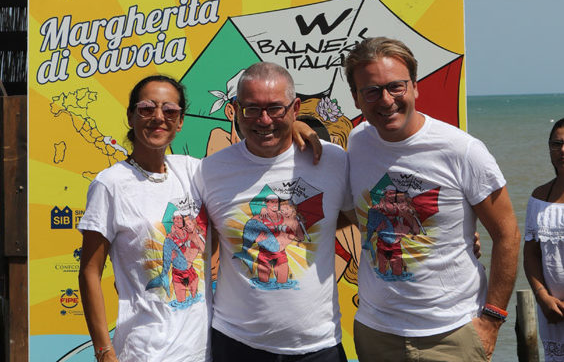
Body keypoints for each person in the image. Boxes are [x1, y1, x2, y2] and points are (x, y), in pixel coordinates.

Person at [344, 37, 521, 361]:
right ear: (356, 98)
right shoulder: (356, 143)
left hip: (452, 333)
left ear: (415, 87)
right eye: (371, 91)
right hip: (375, 333)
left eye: (396, 86)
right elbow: (346, 211)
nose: (386, 100)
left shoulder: (462, 150)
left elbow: (507, 233)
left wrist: (492, 319)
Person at [194, 62, 351, 361]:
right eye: (252, 109)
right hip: (237, 343)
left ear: (295, 108)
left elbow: (360, 217)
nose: (264, 120)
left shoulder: (333, 160)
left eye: (275, 108)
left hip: (318, 345)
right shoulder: (209, 171)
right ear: (236, 110)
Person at [78, 75, 211, 362]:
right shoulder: (110, 184)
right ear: (131, 116)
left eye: (170, 110)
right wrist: (104, 352)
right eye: (147, 108)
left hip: (202, 352)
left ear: (180, 121)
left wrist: (296, 127)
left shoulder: (194, 172)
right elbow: (89, 272)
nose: (158, 117)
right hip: (146, 352)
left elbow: (249, 162)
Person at [524, 118, 564, 362]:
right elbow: (531, 254)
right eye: (556, 144)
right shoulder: (539, 197)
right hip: (552, 312)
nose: (562, 150)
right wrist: (542, 297)